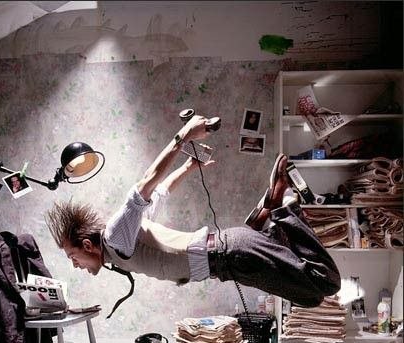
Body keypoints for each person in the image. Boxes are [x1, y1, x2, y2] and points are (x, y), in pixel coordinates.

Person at [45, 114, 341, 317]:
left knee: (327, 283)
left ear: (87, 245)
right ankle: (266, 214)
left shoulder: (114, 236)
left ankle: (281, 208)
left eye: (73, 257)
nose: (75, 265)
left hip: (232, 254)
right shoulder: (124, 240)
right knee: (309, 297)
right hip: (231, 262)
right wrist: (188, 168)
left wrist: (184, 135)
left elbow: (146, 184)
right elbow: (161, 192)